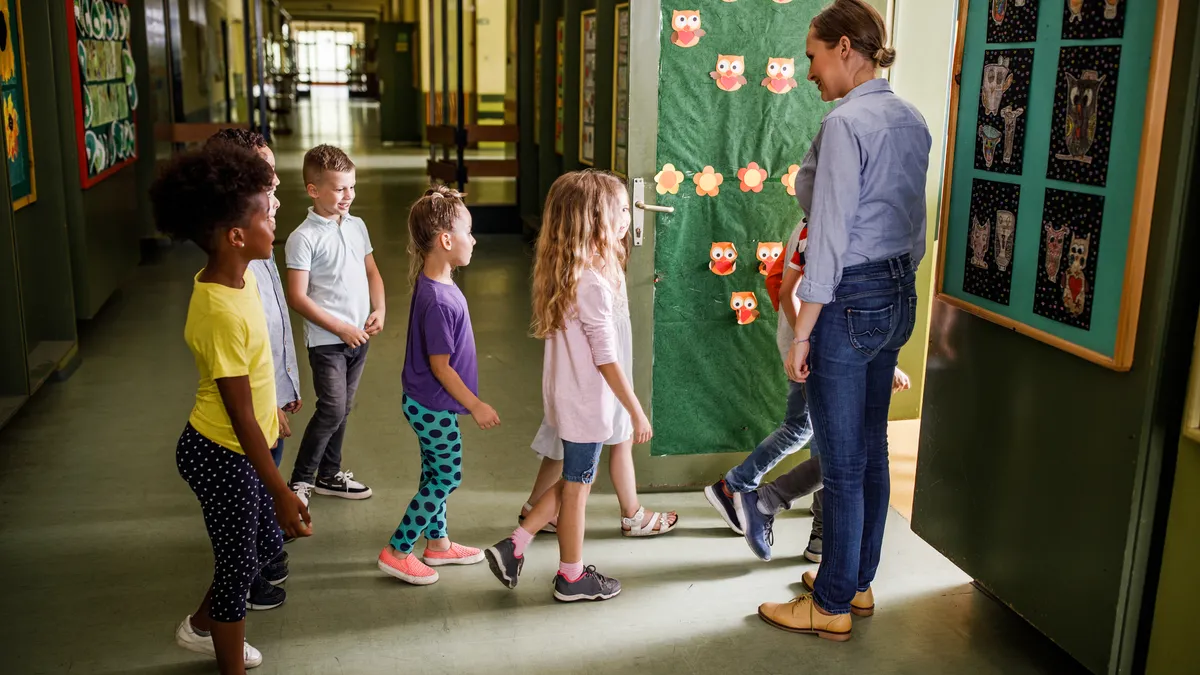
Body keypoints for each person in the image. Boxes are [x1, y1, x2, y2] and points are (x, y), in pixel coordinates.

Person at [756, 0, 931, 642]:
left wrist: (803, 331)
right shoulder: (911, 119)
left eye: (813, 55)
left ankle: (828, 604)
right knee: (872, 448)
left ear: (846, 49)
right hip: (896, 292)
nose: (809, 71)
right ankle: (856, 582)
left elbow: (825, 239)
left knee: (842, 458)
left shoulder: (843, 127)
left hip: (848, 297)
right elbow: (913, 226)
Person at [156, 146, 312, 673]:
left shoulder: (240, 276)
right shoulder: (219, 310)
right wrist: (282, 490)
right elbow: (239, 415)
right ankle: (226, 657)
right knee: (238, 566)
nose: (276, 221)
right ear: (236, 236)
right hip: (220, 452)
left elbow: (255, 378)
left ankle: (201, 626)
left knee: (264, 546)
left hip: (246, 441)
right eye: (266, 215)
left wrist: (274, 410)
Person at [485, 170, 651, 602]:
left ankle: (515, 545)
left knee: (571, 481)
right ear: (593, 219)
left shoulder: (571, 273)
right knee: (577, 489)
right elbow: (606, 359)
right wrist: (634, 409)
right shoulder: (593, 284)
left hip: (568, 402)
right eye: (619, 210)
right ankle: (571, 577)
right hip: (587, 408)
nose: (627, 216)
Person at [377, 186, 498, 585]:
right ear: (446, 240)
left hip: (430, 404)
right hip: (433, 405)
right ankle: (398, 550)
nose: (474, 239)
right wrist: (476, 405)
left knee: (434, 474)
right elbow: (442, 368)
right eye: (468, 231)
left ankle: (438, 544)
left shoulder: (437, 284)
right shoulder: (439, 301)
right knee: (446, 477)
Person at [204, 129, 300, 610]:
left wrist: (284, 391)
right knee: (259, 487)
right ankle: (257, 566)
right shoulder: (234, 272)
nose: (277, 185)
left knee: (265, 480)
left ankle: (267, 549)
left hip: (269, 405)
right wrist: (271, 405)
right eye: (266, 178)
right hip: (249, 421)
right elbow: (242, 363)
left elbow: (275, 331)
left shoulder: (258, 249)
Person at [285, 145, 385, 503]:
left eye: (352, 187)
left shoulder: (357, 226)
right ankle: (301, 480)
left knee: (343, 408)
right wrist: (341, 328)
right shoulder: (303, 238)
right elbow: (297, 297)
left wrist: (381, 308)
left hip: (360, 337)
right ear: (313, 190)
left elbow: (371, 271)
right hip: (327, 341)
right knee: (331, 408)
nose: (348, 195)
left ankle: (329, 474)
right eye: (339, 188)